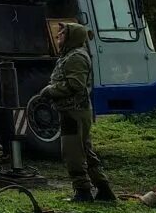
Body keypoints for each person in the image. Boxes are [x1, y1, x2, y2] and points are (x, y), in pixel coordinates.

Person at [33, 21, 115, 201]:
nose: (58, 37)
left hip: (74, 112)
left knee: (73, 152)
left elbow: (75, 85)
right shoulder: (70, 55)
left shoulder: (76, 57)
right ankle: (103, 189)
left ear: (71, 37)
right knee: (85, 150)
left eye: (62, 34)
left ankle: (83, 191)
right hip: (73, 111)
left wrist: (50, 90)